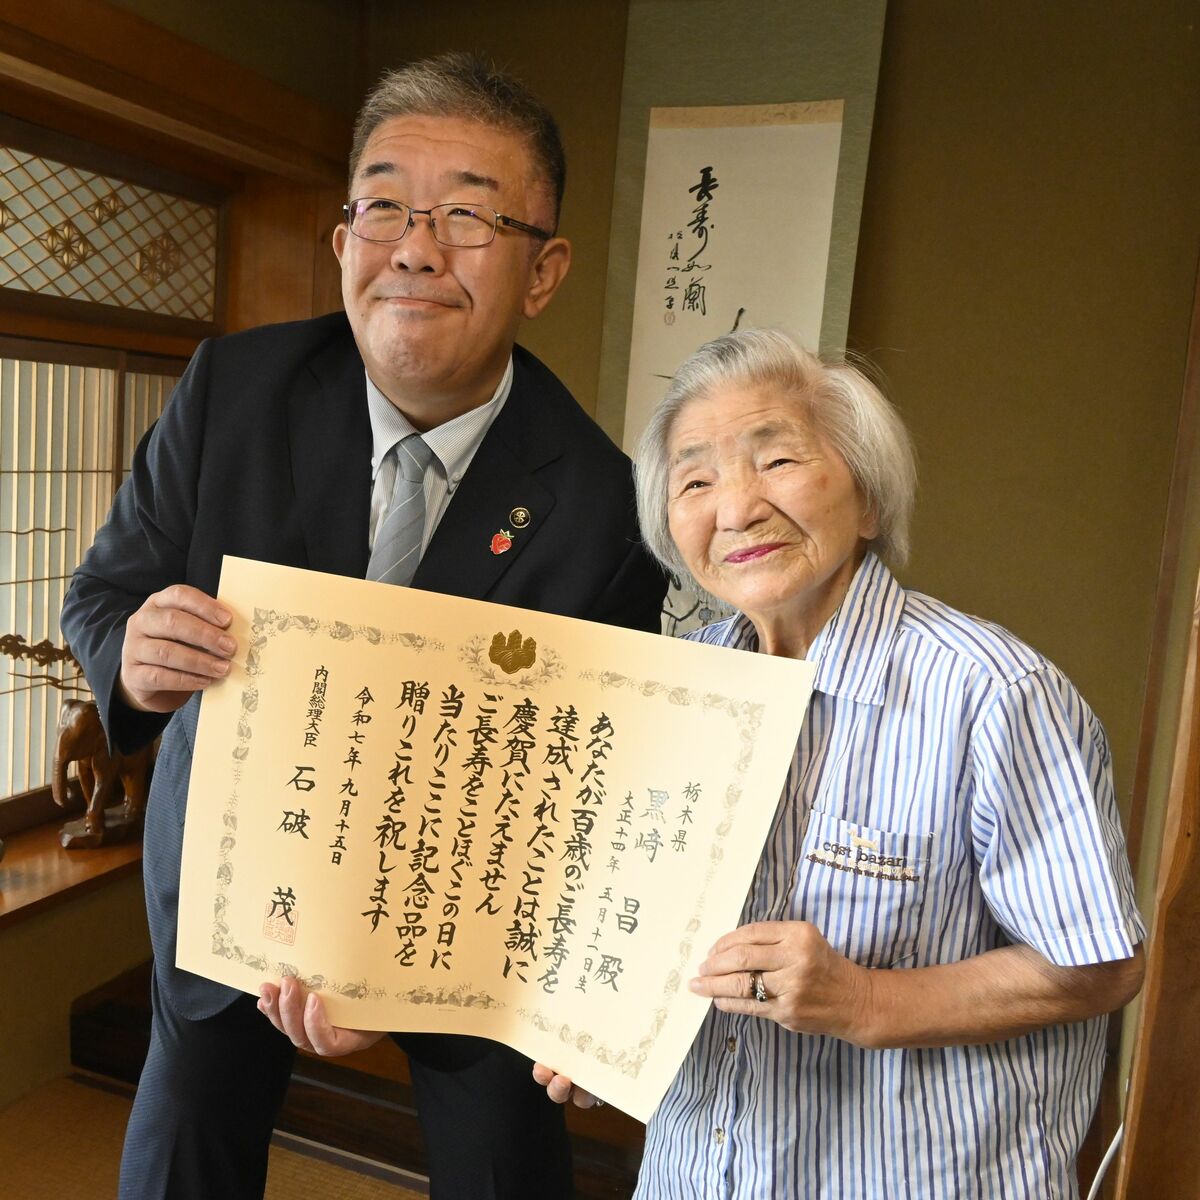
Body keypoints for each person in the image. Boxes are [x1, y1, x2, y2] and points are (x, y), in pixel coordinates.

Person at [61, 52, 666, 1200]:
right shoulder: (232, 390)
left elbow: (584, 800)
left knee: (505, 1164)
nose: (416, 246)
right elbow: (100, 594)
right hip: (232, 886)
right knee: (182, 1151)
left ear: (545, 270)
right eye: (384, 204)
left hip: (455, 928)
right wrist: (134, 661)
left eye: (470, 215)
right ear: (343, 239)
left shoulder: (602, 503)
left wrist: (394, 974)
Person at [533, 329, 1145, 1199]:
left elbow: (1101, 963)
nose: (735, 507)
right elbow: (645, 916)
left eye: (776, 460)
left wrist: (864, 1000)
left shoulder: (994, 693)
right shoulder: (681, 684)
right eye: (696, 480)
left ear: (867, 500)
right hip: (697, 1171)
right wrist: (605, 1026)